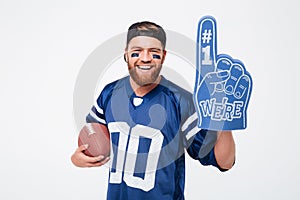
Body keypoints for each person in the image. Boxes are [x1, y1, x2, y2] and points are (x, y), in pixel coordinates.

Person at [71, 21, 235, 200]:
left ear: (163, 56)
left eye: (154, 53)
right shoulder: (109, 93)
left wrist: (223, 118)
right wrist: (78, 158)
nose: (146, 58)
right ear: (126, 54)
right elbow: (93, 135)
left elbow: (224, 162)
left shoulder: (181, 101)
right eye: (137, 51)